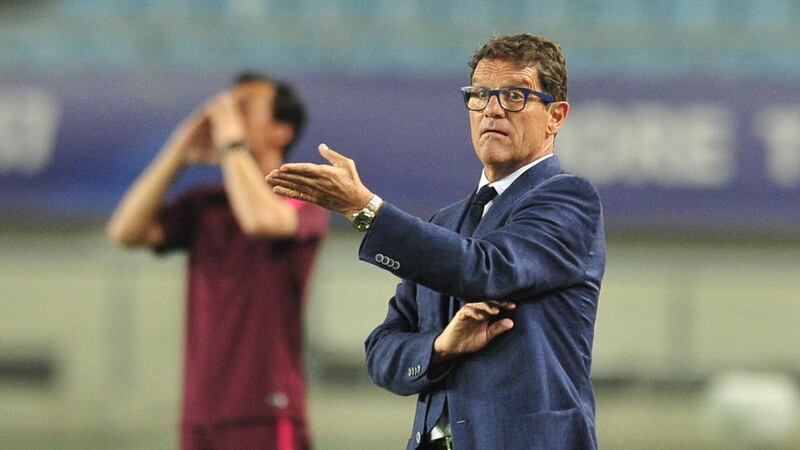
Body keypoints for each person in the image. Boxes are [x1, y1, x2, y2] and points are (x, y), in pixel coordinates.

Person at [267, 33, 605, 450]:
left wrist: (366, 210)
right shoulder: (444, 223)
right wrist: (441, 346)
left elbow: (487, 269)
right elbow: (382, 351)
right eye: (480, 94)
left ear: (556, 115)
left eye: (515, 96)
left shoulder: (568, 200)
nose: (493, 109)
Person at [107, 72, 327, 450]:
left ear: (280, 131)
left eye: (245, 107)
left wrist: (232, 146)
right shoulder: (204, 203)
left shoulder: (301, 197)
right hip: (201, 413)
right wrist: (178, 150)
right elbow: (125, 231)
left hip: (266, 408)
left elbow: (260, 219)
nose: (226, 114)